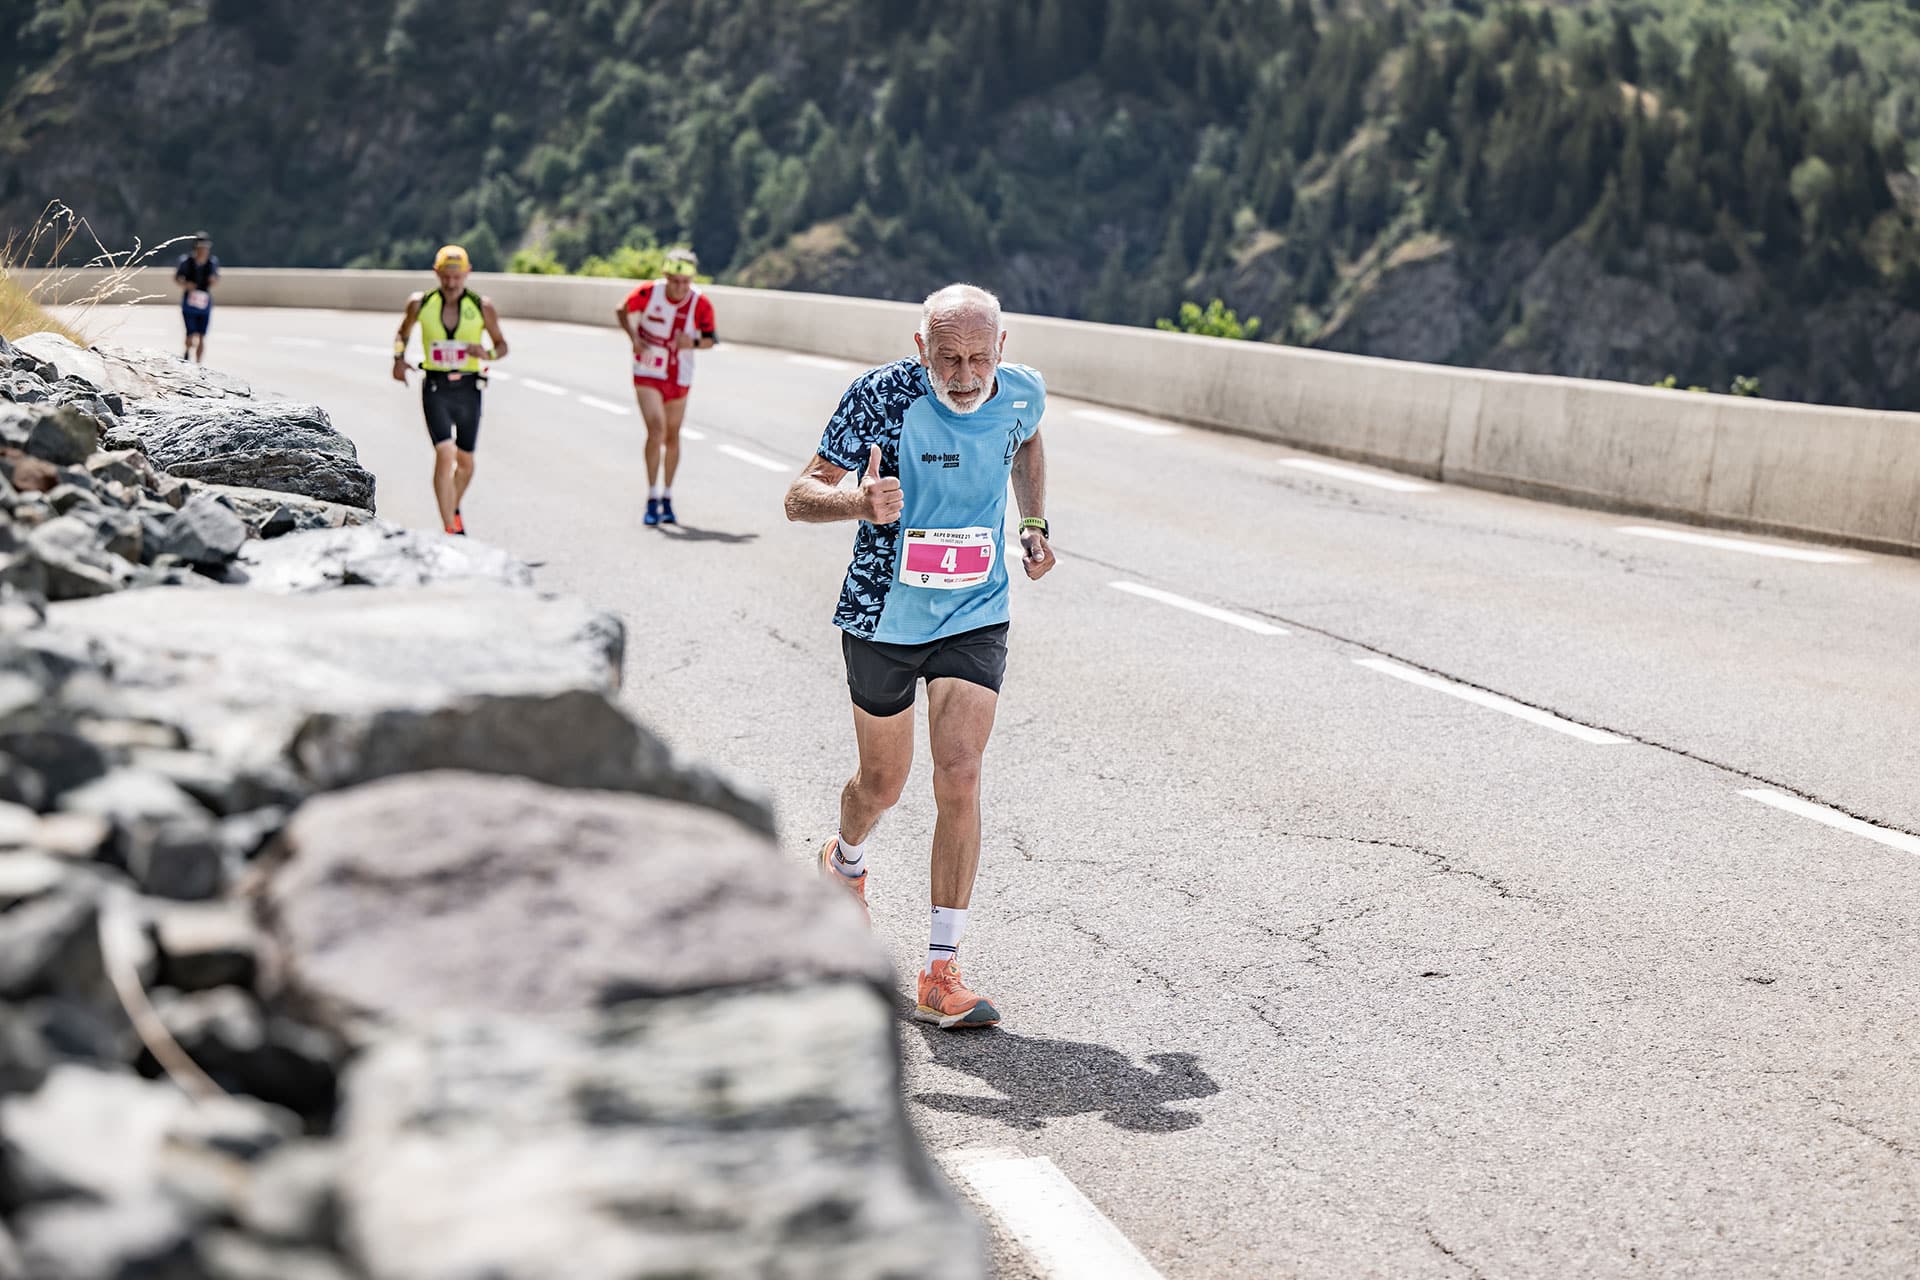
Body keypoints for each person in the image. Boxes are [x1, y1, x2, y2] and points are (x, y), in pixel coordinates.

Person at [783, 283, 1055, 1030]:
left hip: (975, 610)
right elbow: (799, 495)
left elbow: (1026, 439)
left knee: (960, 773)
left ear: (1003, 349)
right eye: (947, 359)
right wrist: (856, 505)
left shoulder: (1023, 392)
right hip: (885, 613)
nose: (964, 377)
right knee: (882, 783)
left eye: (977, 358)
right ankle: (843, 859)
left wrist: (1031, 520)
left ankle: (940, 969)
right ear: (919, 351)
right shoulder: (879, 396)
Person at [390, 245, 508, 535]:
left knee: (465, 463)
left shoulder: (482, 307)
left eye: (457, 277)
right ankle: (449, 529)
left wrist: (486, 353)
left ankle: (451, 507)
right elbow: (401, 334)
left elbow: (502, 346)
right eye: (446, 276)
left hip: (469, 388)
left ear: (467, 274)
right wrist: (398, 359)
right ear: (436, 273)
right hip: (435, 386)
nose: (451, 283)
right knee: (445, 453)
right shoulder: (420, 303)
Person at [615, 247, 717, 526]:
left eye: (685, 282)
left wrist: (692, 343)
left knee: (672, 436)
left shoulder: (701, 304)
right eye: (674, 281)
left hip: (679, 375)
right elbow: (622, 309)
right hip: (647, 369)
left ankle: (667, 496)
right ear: (666, 276)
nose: (680, 287)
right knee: (656, 430)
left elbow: (711, 339)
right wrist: (633, 337)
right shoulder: (650, 292)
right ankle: (650, 496)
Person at [173, 233, 220, 362]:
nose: (203, 251)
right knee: (190, 333)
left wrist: (212, 280)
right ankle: (188, 351)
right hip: (189, 302)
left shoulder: (212, 262)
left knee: (202, 335)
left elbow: (216, 279)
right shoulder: (186, 261)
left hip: (204, 301)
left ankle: (198, 365)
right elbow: (177, 278)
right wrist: (186, 285)